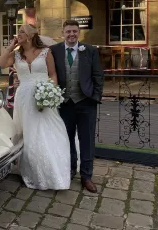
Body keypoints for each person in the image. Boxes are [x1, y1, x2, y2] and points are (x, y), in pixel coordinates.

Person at [0, 24, 71, 190]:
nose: (19, 34)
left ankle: (53, 170)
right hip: (24, 98)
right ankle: (30, 168)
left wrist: (51, 94)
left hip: (43, 96)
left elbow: (52, 74)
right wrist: (10, 46)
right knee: (28, 132)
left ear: (30, 35)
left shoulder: (45, 52)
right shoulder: (16, 55)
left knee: (47, 130)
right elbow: (0, 63)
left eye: (22, 32)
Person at [50, 20, 104, 193]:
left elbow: (98, 76)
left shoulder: (90, 51)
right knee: (67, 140)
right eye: (68, 32)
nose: (71, 34)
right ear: (63, 33)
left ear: (78, 33)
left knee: (87, 140)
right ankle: (71, 169)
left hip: (86, 103)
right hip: (65, 104)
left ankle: (86, 176)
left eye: (74, 31)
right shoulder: (55, 50)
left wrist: (94, 97)